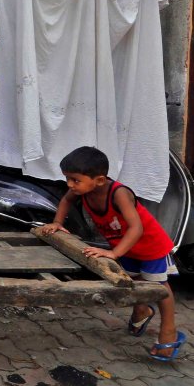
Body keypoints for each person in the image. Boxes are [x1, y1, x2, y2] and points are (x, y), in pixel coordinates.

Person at [40, 146, 184, 361]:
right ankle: (142, 311)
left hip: (150, 247)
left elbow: (137, 228)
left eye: (75, 180)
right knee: (132, 280)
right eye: (67, 179)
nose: (70, 185)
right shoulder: (82, 190)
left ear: (98, 180)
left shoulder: (119, 193)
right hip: (125, 247)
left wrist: (114, 253)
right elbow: (66, 200)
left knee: (159, 287)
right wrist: (58, 223)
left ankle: (169, 330)